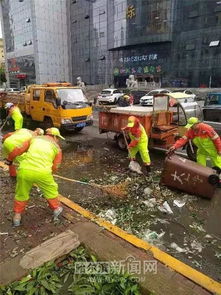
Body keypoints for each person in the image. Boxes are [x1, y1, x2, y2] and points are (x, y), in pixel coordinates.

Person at [13, 127, 64, 226]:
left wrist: (10, 160)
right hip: (43, 173)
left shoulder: (34, 139)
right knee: (51, 190)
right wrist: (51, 173)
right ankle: (56, 209)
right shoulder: (57, 148)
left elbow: (18, 149)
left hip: (25, 170)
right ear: (54, 136)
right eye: (58, 138)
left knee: (21, 193)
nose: (58, 140)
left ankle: (17, 218)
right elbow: (56, 166)